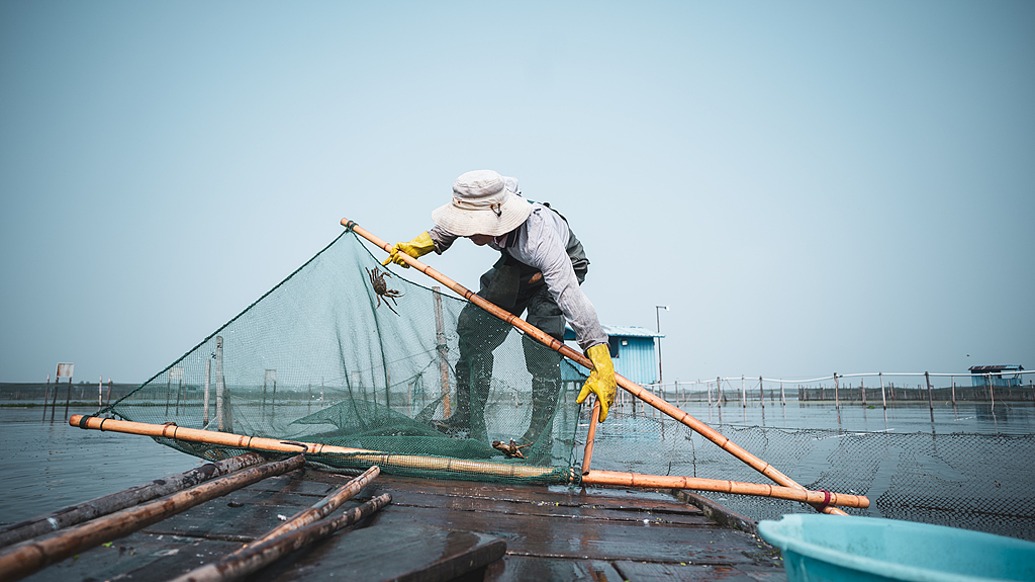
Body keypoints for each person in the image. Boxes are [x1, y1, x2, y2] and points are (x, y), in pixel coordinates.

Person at [383, 169, 617, 451]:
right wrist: (418, 246)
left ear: (497, 219)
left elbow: (570, 296)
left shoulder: (538, 239)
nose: (465, 231)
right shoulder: (485, 198)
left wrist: (600, 357)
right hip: (517, 264)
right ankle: (466, 416)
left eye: (472, 225)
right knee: (473, 326)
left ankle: (537, 438)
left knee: (540, 342)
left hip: (563, 262)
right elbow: (452, 226)